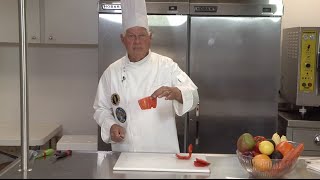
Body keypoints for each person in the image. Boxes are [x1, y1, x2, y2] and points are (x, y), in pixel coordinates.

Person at [93, 0, 199, 153]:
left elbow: (194, 95)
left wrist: (176, 93)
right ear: (123, 39)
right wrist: (111, 126)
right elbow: (100, 108)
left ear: (150, 38)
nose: (137, 41)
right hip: (126, 154)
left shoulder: (166, 66)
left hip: (162, 155)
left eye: (142, 35)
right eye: (131, 36)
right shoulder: (112, 72)